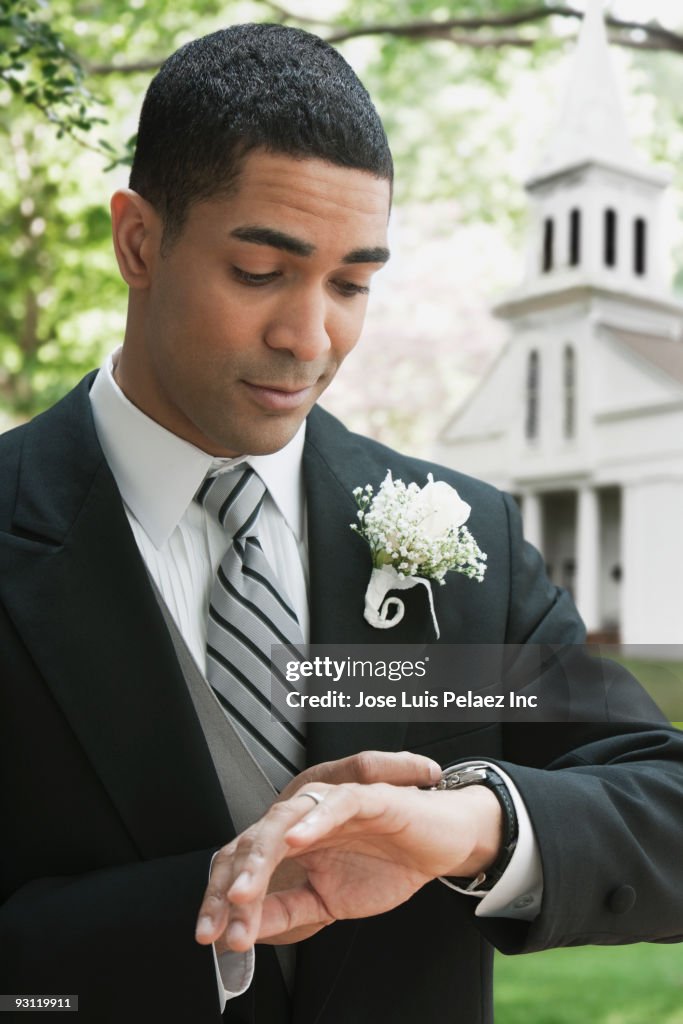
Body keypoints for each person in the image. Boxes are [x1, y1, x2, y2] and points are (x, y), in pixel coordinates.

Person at [1, 22, 682, 1024]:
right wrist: (209, 905)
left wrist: (472, 827)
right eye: (259, 272)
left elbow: (664, 800)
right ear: (138, 240)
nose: (310, 337)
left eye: (352, 283)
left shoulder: (467, 540)